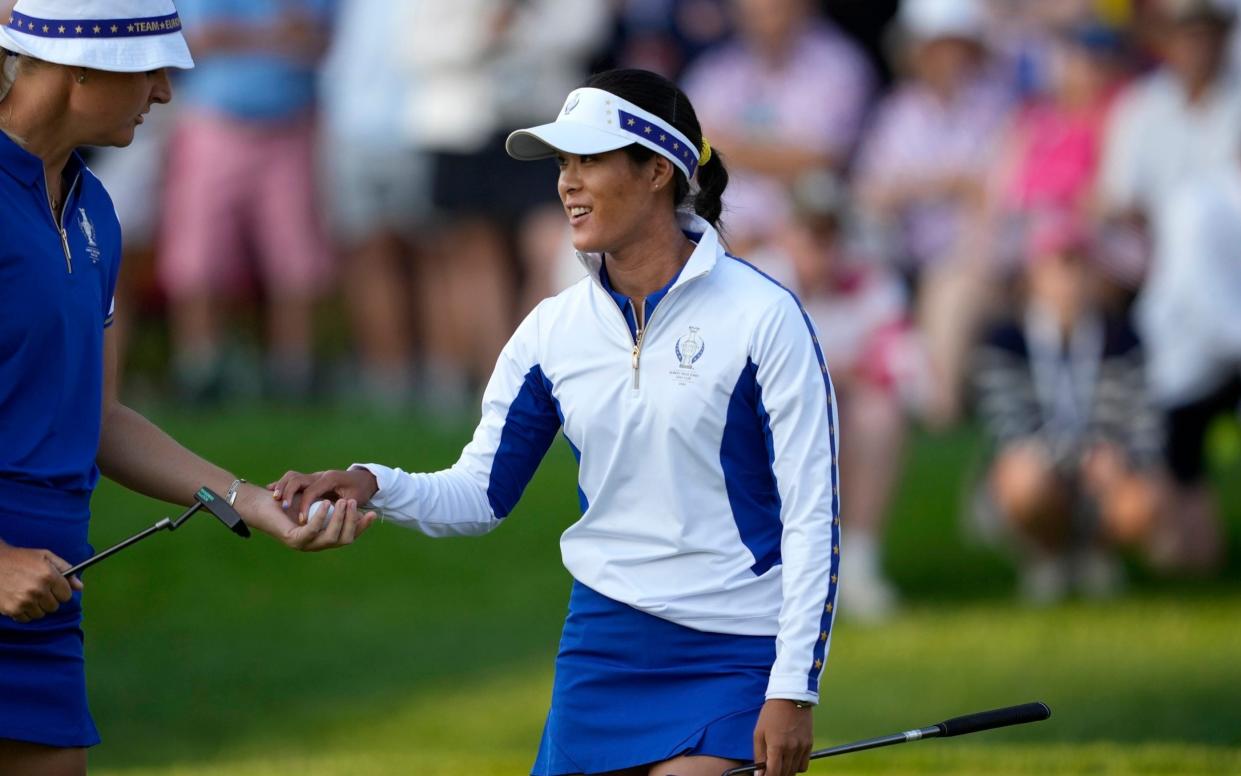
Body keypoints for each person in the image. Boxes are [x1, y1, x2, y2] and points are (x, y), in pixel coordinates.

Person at [274, 68, 840, 776]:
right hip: (601, 649)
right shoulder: (551, 331)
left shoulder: (765, 317)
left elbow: (813, 516)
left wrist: (793, 688)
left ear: (658, 171)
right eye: (562, 163)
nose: (567, 182)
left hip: (733, 649)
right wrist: (368, 483)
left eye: (589, 160)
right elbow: (480, 494)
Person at [0, 3, 371, 773]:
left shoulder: (94, 206)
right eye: (151, 69)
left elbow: (94, 416)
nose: (166, 92)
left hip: (45, 592)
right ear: (79, 68)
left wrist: (253, 503)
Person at [970, 212, 1165, 602]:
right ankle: (1047, 555)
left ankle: (1095, 554)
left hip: (1101, 474)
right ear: (1033, 274)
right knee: (1024, 479)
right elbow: (1008, 430)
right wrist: (1083, 456)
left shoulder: (1124, 337)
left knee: (1147, 497)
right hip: (1041, 468)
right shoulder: (1003, 340)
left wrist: (1120, 459)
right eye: (1058, 263)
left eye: (1078, 263)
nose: (1069, 276)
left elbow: (1144, 422)